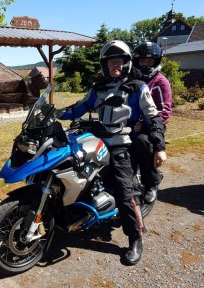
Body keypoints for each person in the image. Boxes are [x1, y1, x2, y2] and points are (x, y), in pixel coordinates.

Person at [59, 40, 167, 266]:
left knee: (123, 191)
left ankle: (135, 238)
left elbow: (154, 118)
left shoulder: (138, 87)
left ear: (127, 63)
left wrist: (159, 147)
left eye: (118, 61)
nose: (114, 66)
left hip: (120, 145)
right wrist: (56, 113)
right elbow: (80, 107)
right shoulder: (98, 88)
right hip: (95, 141)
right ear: (104, 65)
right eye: (110, 62)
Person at [129, 41, 173, 203]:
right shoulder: (131, 79)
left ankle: (151, 183)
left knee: (142, 143)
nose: (146, 65)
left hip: (154, 126)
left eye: (150, 61)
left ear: (156, 62)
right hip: (130, 123)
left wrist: (144, 124)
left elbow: (164, 111)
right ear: (136, 62)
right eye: (143, 61)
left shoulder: (161, 82)